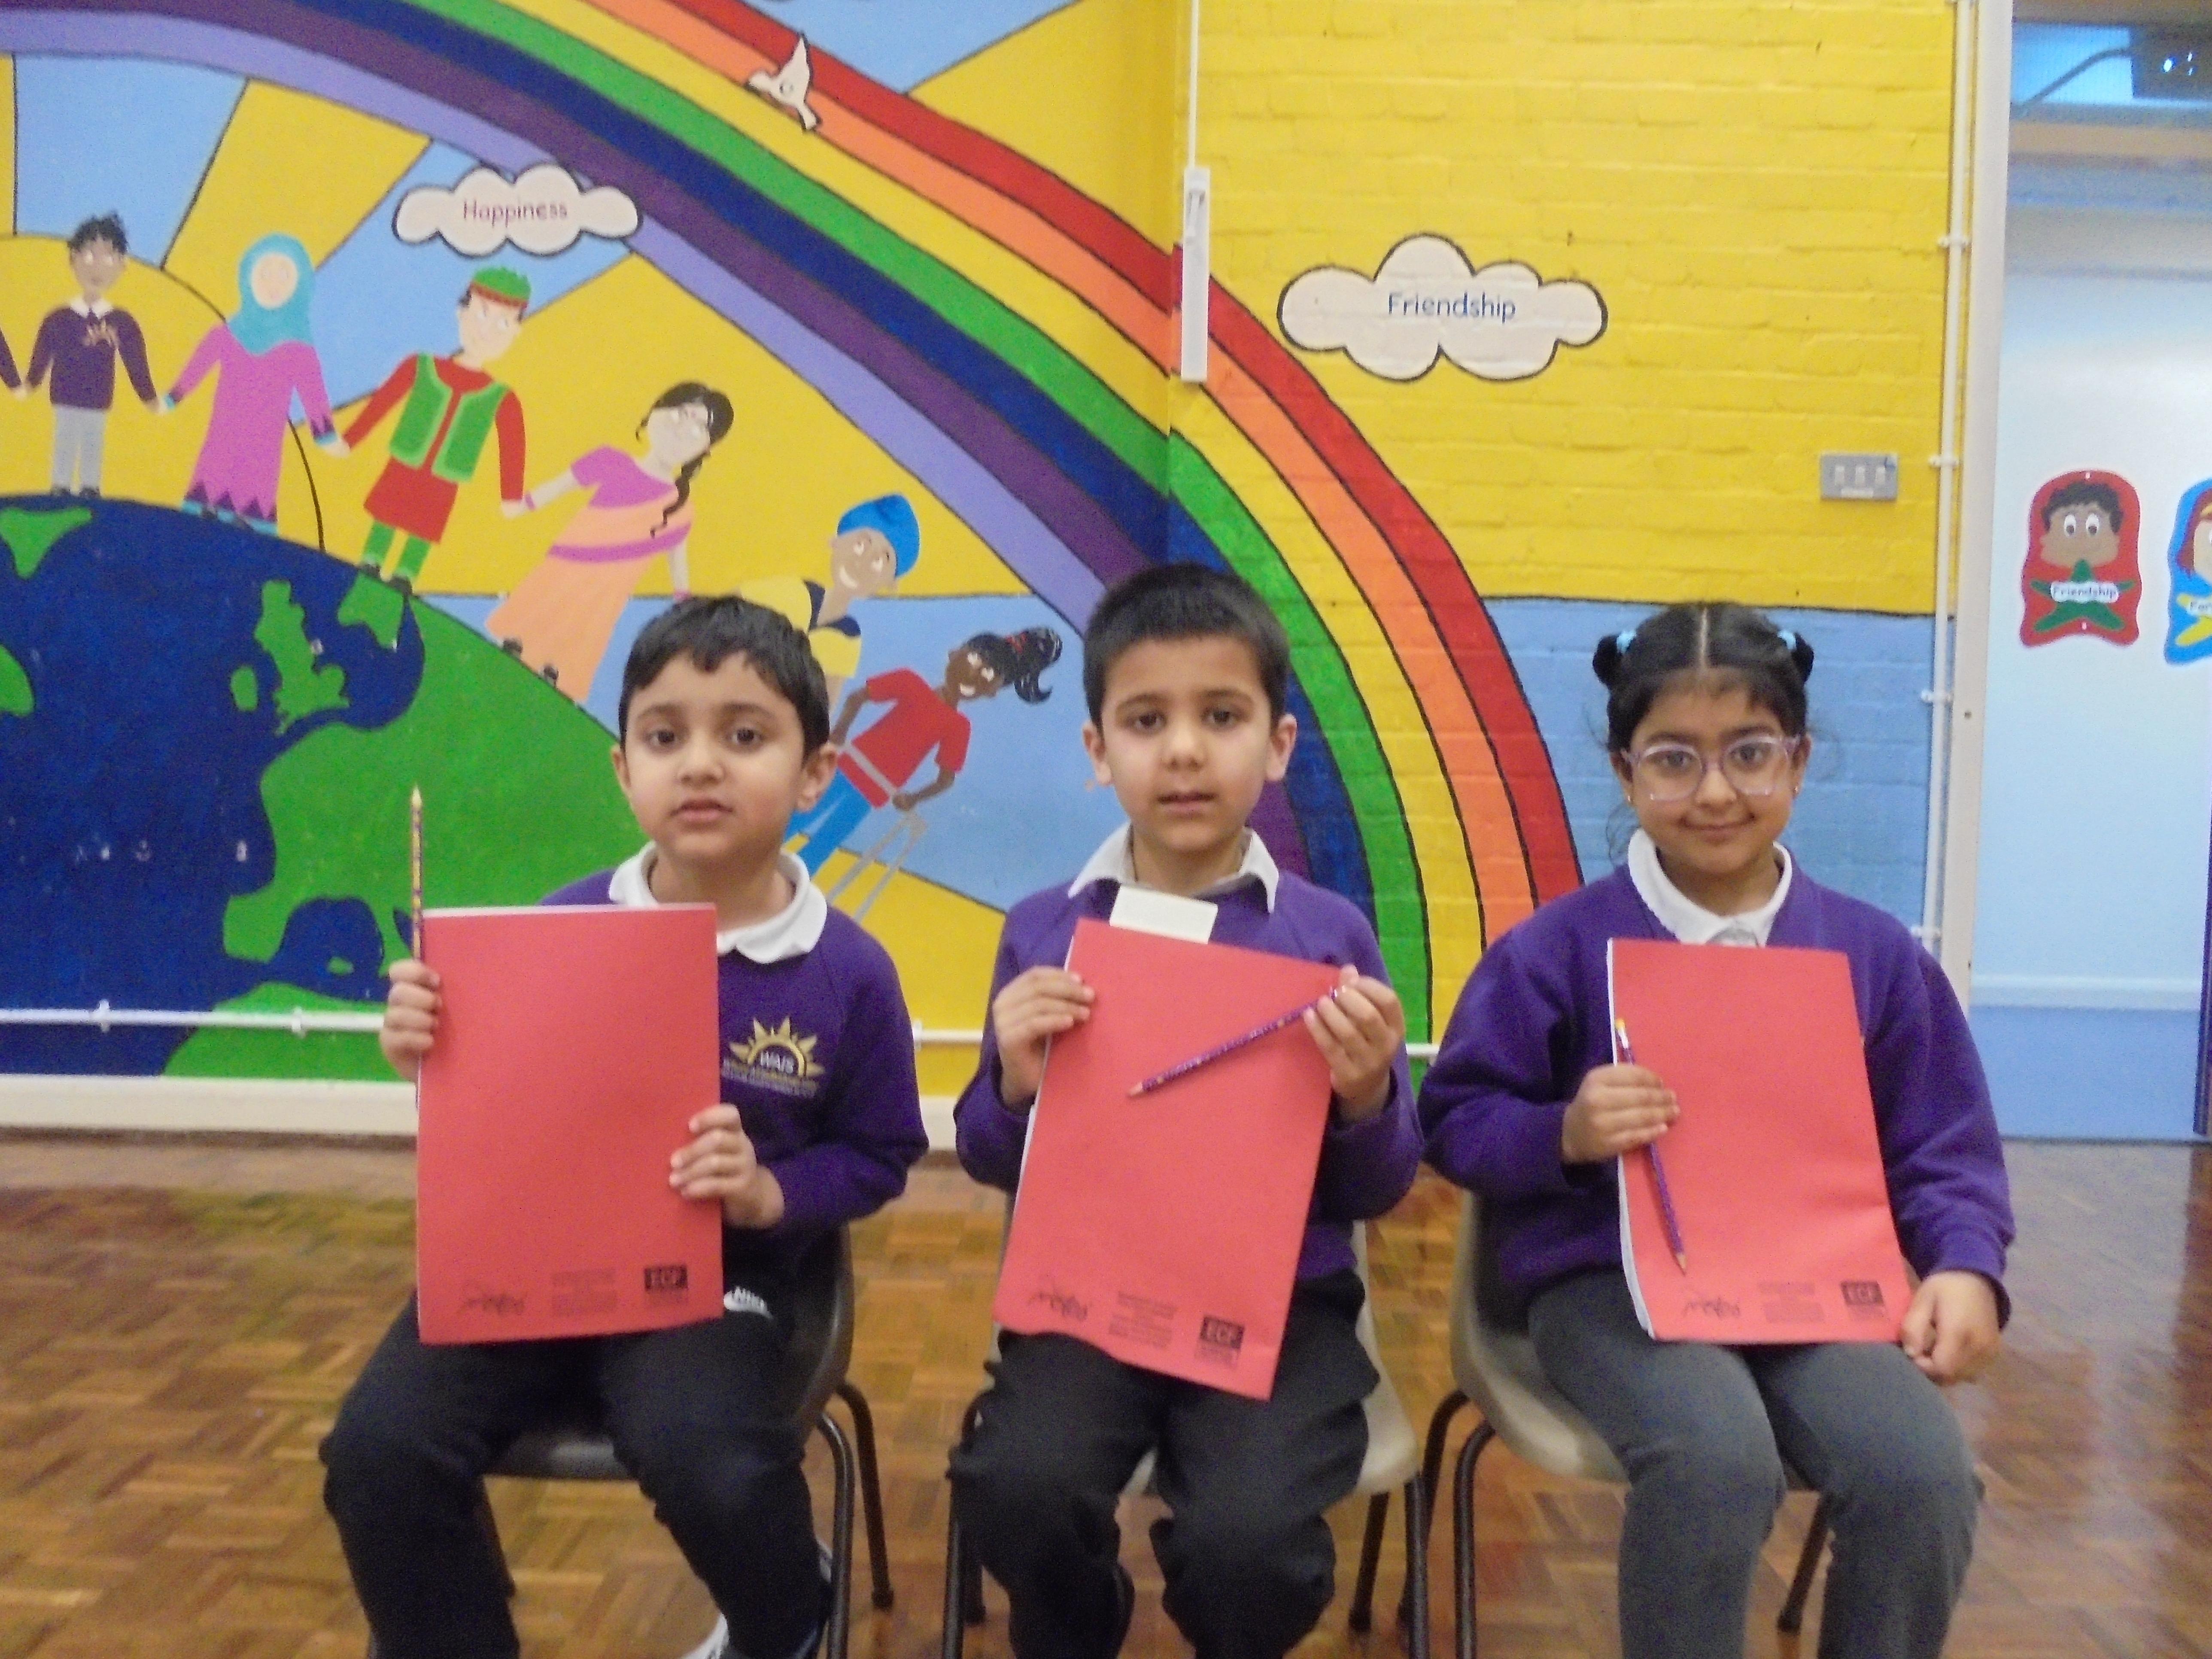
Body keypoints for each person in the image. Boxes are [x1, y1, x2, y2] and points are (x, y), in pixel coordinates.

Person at [322, 598, 929, 1659]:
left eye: (744, 735)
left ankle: (787, 1613)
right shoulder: (555, 929)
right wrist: (427, 1060)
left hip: (718, 1281)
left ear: (815, 774)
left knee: (712, 1461)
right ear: (623, 769)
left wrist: (770, 1194)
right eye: (664, 736)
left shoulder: (848, 971)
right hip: (525, 1268)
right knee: (379, 1451)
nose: (700, 764)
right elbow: (494, 1127)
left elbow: (879, 1155)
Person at [1418, 602, 2013, 1659]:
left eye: (1749, 753)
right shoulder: (1555, 951)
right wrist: (1563, 1133)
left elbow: (1942, 1146)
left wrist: (1965, 1266)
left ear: (1798, 760)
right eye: (1673, 760)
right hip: (1610, 1288)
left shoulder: (1872, 957)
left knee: (1921, 1471)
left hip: (1813, 1290)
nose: (1715, 792)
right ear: (1624, 772)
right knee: (1714, 1458)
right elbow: (1455, 1121)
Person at [946, 564, 1420, 1659]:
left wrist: (1364, 1096)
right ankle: (1082, 1624)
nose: (1185, 752)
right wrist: (1014, 1081)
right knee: (1015, 1483)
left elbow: (1380, 1184)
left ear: (1279, 745)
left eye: (1222, 716)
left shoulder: (1327, 936)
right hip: (1087, 1296)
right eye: (1146, 721)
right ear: (1097, 749)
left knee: (1252, 1545)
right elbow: (985, 1153)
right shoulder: (1046, 929)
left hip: (1280, 1304)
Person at [489, 382, 736, 699]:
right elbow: (561, 486)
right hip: (566, 564)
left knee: (582, 631)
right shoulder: (610, 460)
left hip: (609, 591)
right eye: (680, 414)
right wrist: (522, 506)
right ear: (655, 413)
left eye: (699, 426)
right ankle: (516, 648)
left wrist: (683, 601)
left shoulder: (680, 507)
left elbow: (677, 559)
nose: (682, 428)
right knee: (538, 614)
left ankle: (556, 672)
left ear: (706, 448)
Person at [786, 627, 1061, 875]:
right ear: (954, 653)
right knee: (797, 821)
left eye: (987, 675)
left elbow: (946, 779)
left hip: (870, 790)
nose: (973, 674)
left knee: (820, 843)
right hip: (847, 771)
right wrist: (839, 732)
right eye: (974, 660)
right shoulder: (910, 683)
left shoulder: (958, 727)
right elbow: (858, 697)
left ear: (992, 691)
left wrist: (914, 798)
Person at [343, 266, 531, 596]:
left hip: (447, 474)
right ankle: (371, 559)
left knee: (424, 526)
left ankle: (406, 575)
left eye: (503, 323)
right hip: (406, 459)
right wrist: (348, 440)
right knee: (387, 511)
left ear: (515, 333)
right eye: (482, 313)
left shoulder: (501, 397)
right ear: (462, 312)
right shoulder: (421, 366)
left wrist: (511, 496)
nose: (487, 330)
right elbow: (381, 405)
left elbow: (512, 446)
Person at [165, 233, 346, 534]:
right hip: (223, 431)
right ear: (248, 277)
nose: (273, 284)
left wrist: (325, 436)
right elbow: (199, 365)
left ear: (299, 285)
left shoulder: (299, 349)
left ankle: (247, 525)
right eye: (265, 274)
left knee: (256, 487)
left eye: (284, 275)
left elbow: (313, 394)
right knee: (212, 476)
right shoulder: (228, 333)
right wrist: (171, 399)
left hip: (264, 440)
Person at [21, 214, 161, 495]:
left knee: (93, 443)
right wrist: (29, 384)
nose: (97, 267)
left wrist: (150, 398)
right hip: (64, 397)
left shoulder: (121, 321)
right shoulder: (58, 318)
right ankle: (60, 486)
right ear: (73, 259)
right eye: (88, 256)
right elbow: (42, 355)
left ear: (122, 264)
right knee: (64, 442)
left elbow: (136, 362)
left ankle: (90, 487)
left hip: (98, 400)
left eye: (108, 258)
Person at [740, 493, 921, 704]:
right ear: (836, 541)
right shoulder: (792, 593)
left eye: (880, 560)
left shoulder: (847, 636)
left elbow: (826, 703)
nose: (861, 563)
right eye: (860, 545)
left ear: (891, 583)